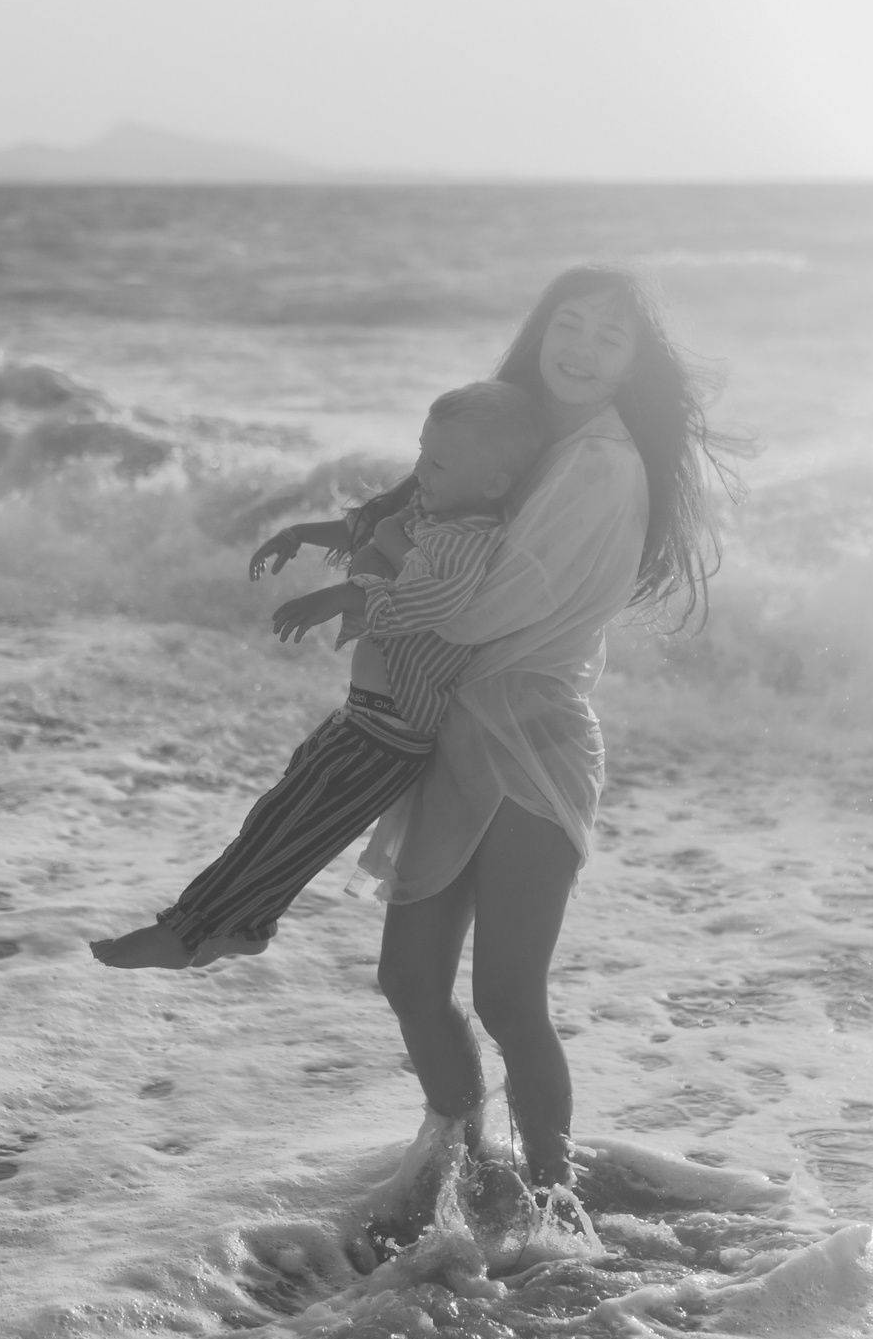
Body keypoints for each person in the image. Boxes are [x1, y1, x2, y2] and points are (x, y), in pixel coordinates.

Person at [347, 265, 738, 1204]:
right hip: (451, 727)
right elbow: (432, 527)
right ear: (540, 330)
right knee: (408, 977)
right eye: (571, 324)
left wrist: (377, 597)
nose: (584, 348)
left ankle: (555, 1204)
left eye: (612, 337)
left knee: (507, 997)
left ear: (634, 363)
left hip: (533, 736)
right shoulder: (516, 436)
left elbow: (486, 607)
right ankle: (470, 1161)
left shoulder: (601, 465)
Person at [89, 381, 549, 970]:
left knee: (291, 826)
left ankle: (187, 931)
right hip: (363, 715)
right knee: (280, 818)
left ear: (493, 484)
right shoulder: (433, 511)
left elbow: (432, 602)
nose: (421, 471)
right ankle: (243, 925)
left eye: (437, 462)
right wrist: (302, 534)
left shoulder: (471, 540)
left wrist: (340, 596)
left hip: (392, 735)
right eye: (419, 453)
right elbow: (374, 533)